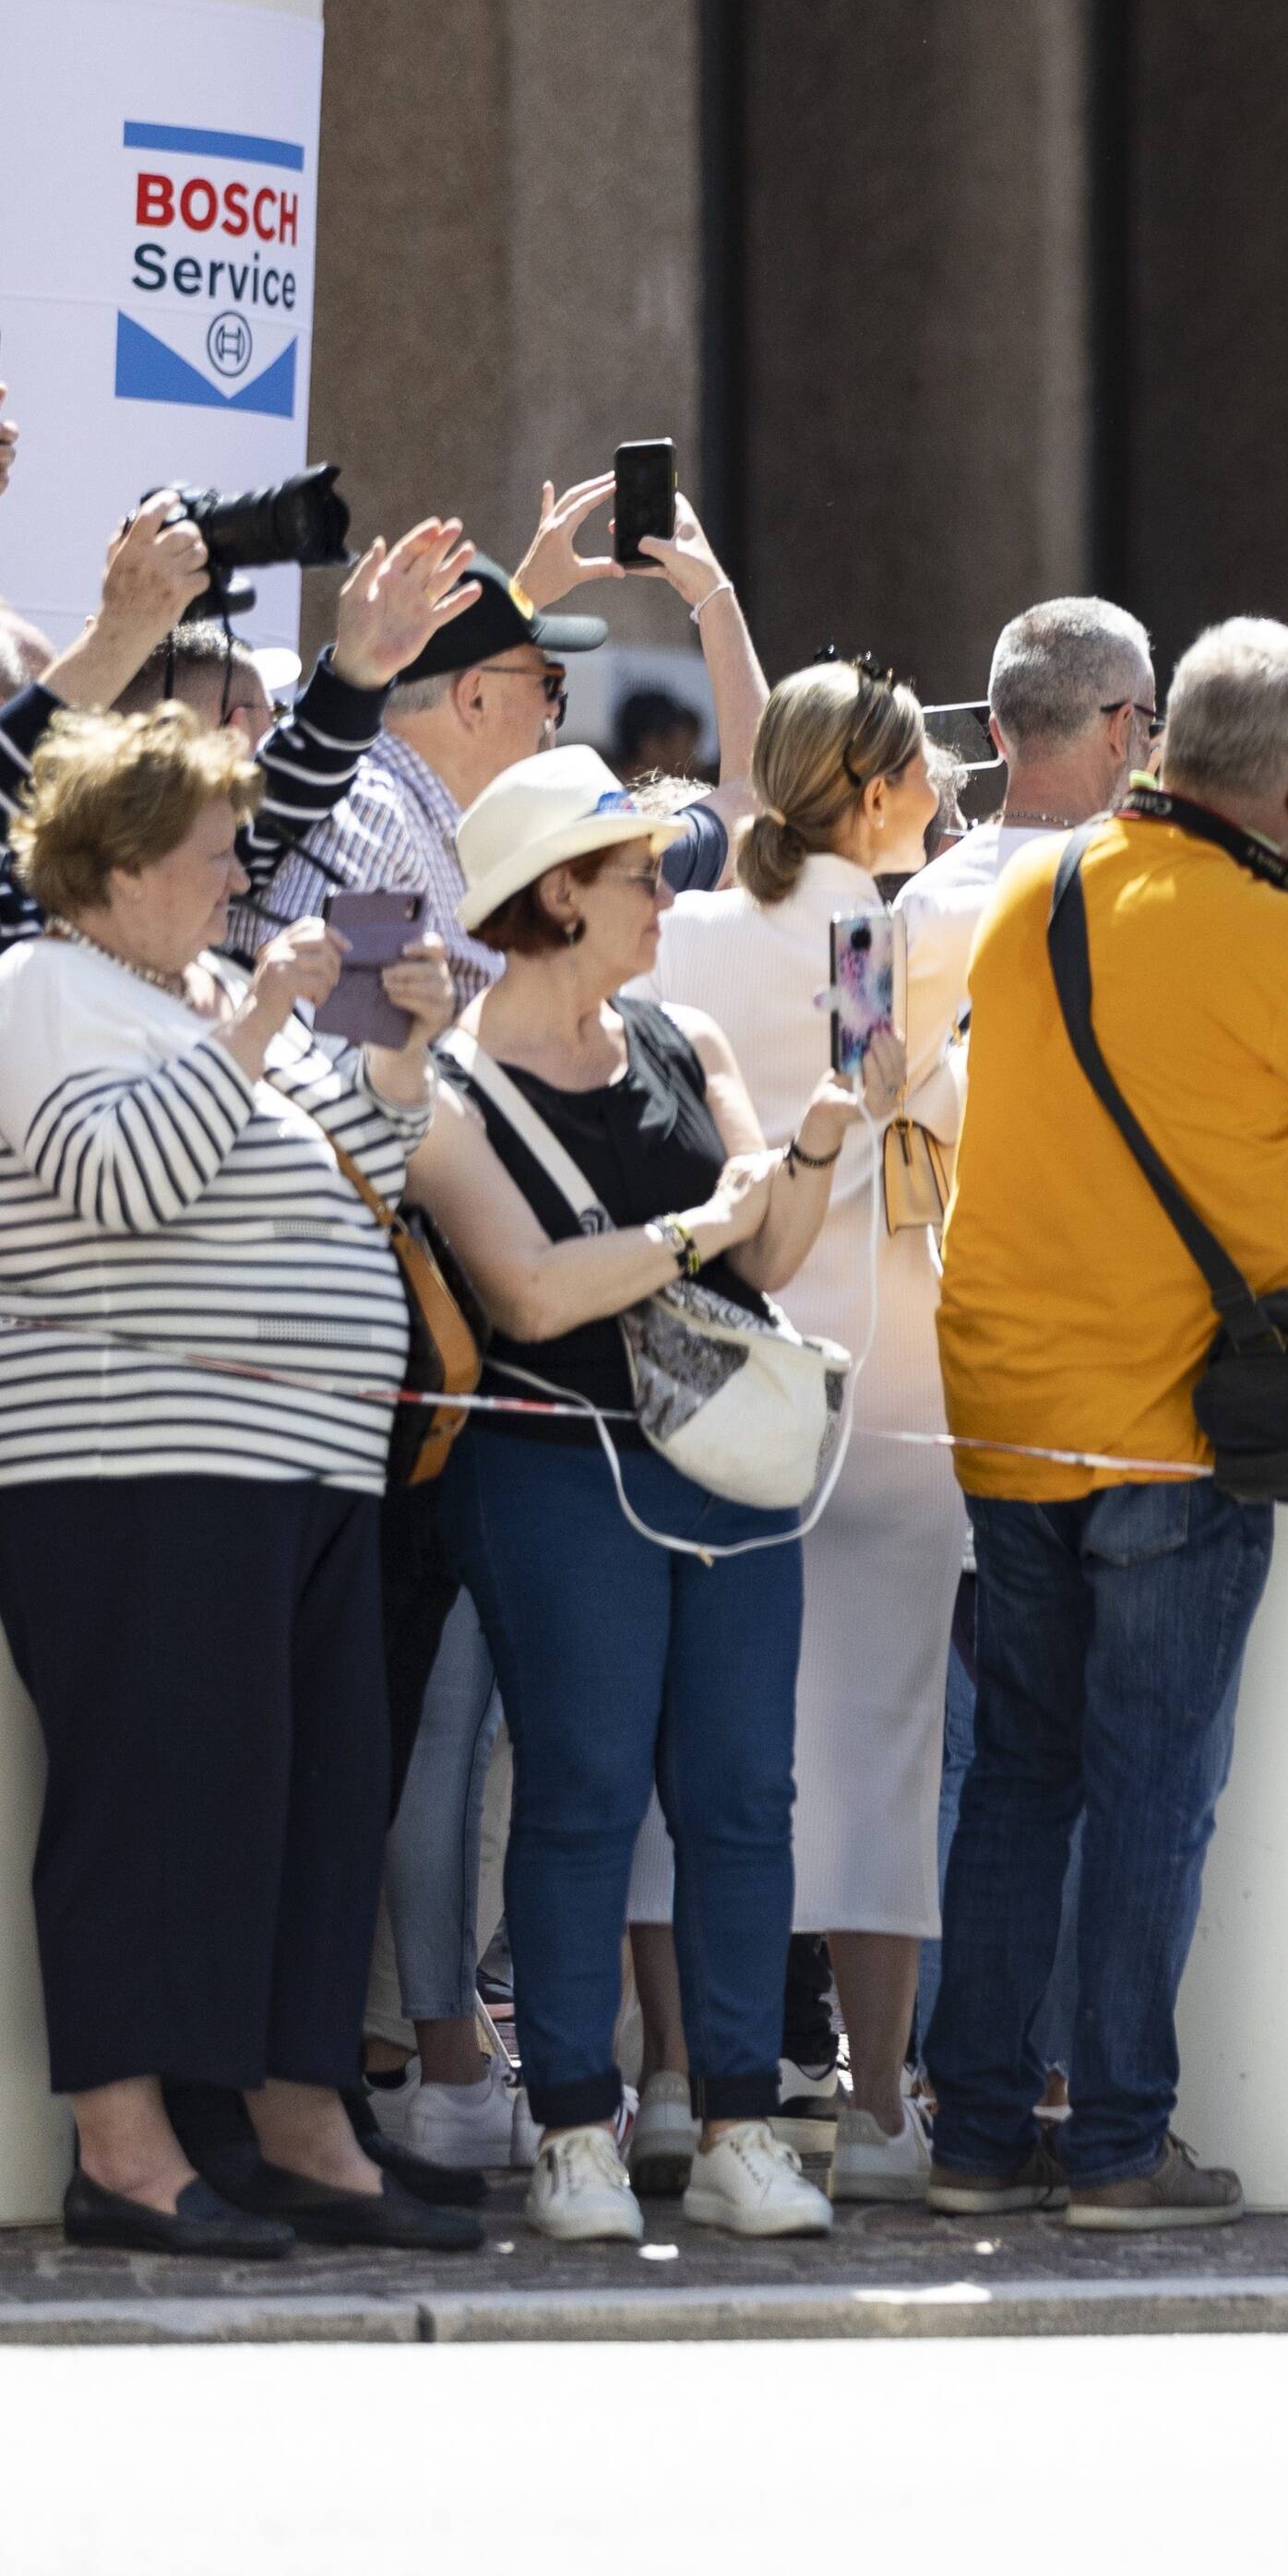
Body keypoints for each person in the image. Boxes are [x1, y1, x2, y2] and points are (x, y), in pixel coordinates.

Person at [925, 618, 1288, 2230]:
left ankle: (973, 2136)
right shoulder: (1276, 937)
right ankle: (1112, 2147)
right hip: (1175, 1419)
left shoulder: (1042, 887)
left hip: (1010, 1400)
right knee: (1153, 1790)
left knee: (1019, 1777)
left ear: (1159, 747)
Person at [0, 706, 478, 2255]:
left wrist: (397, 1059)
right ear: (121, 862)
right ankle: (127, 2151)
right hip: (135, 1459)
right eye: (212, 857)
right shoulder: (38, 988)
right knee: (156, 1802)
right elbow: (120, 1178)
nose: (236, 884)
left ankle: (298, 2118)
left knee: (312, 1802)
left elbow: (346, 1164)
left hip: (303, 1464)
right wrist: (260, 1025)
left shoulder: (198, 993)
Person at [404, 747, 868, 2246]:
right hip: (551, 1465)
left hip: (724, 1459)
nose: (667, 892)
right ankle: (571, 2131)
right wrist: (693, 1228)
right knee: (583, 1790)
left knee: (744, 1796)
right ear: (555, 895)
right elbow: (531, 1295)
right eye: (634, 872)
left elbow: (771, 1255)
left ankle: (739, 2122)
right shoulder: (446, 1079)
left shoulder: (689, 1032)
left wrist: (811, 1145)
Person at [634, 658, 967, 2200]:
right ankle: (881, 2099)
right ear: (883, 787)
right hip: (874, 1377)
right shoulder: (880, 936)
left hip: (693, 1363)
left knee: (672, 1739)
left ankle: (666, 2077)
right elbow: (901, 1116)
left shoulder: (684, 925)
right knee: (875, 1742)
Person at [891, 597, 1163, 2069]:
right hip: (1115, 1367)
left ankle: (951, 2074)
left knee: (975, 1746)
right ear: (1124, 729)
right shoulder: (1156, 896)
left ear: (993, 729)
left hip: (935, 1347)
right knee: (1119, 1756)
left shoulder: (917, 905)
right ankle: (1052, 2071)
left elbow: (855, 1089)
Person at [262, 470, 768, 998]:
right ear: (475, 699)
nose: (554, 713)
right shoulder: (376, 819)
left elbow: (749, 806)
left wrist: (713, 593)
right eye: (548, 683)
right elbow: (345, 1058)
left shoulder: (437, 813)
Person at [0, 496, 482, 957]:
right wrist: (118, 633)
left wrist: (358, 674)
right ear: (127, 869)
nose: (238, 878)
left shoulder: (165, 888)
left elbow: (276, 806)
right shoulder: (39, 940)